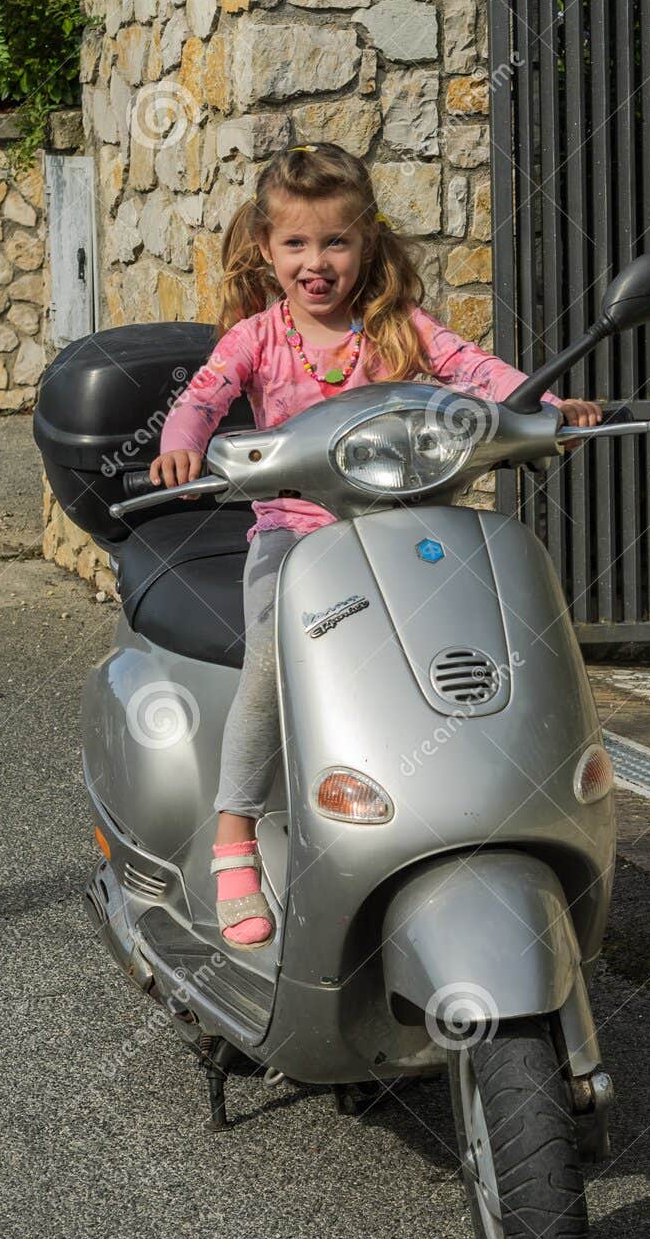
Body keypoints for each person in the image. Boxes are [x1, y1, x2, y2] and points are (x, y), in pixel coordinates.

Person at [149, 141, 601, 952]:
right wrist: (183, 447)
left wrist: (546, 409)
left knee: (472, 641)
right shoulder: (256, 338)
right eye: (295, 244)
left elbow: (477, 373)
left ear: (367, 244)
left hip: (400, 533)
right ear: (265, 249)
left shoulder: (397, 329)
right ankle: (234, 842)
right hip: (295, 537)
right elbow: (201, 399)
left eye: (335, 242)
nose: (314, 262)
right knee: (269, 668)